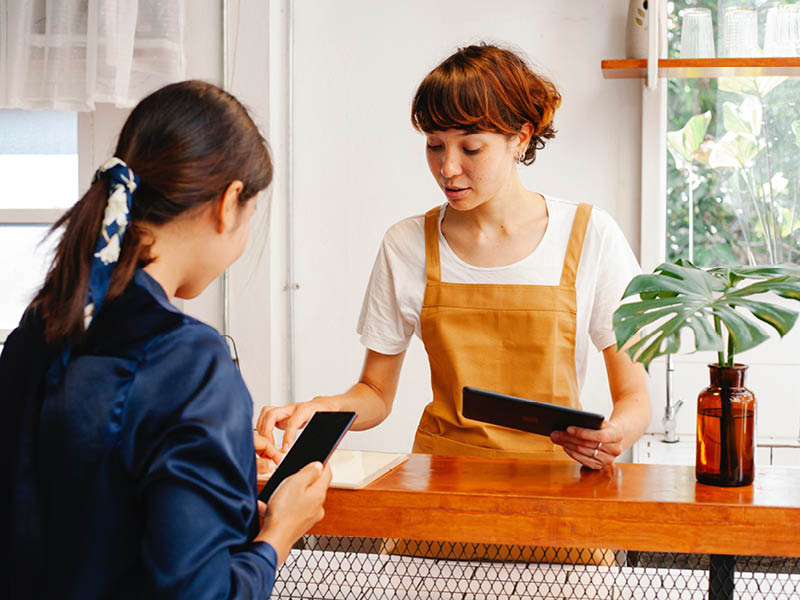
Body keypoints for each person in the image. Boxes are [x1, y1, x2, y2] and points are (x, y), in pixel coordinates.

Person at [1, 80, 330, 599]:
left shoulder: (39, 327)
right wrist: (277, 536)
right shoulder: (193, 363)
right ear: (229, 202)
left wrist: (213, 455)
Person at [256, 43, 650, 470]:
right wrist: (322, 408)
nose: (447, 167)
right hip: (442, 486)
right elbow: (374, 392)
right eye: (434, 145)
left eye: (470, 149)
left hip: (555, 487)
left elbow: (634, 396)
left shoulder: (590, 235)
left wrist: (615, 434)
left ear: (520, 137)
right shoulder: (406, 243)